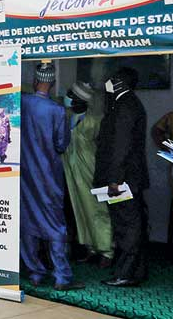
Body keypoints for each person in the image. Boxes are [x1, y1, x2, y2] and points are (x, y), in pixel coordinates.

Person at [19, 63, 81, 290]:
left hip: (24, 175)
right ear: (52, 84)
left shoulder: (22, 103)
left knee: (27, 222)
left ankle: (35, 273)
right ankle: (62, 277)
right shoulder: (57, 111)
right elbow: (61, 144)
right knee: (55, 225)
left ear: (35, 81)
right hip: (48, 176)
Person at [94, 67, 149, 287]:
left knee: (127, 225)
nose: (107, 83)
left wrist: (114, 179)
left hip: (123, 180)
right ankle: (134, 270)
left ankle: (127, 273)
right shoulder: (125, 103)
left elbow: (120, 147)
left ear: (119, 83)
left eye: (112, 80)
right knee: (130, 223)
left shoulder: (126, 106)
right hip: (127, 178)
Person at [62, 82, 113, 267]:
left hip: (90, 171)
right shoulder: (68, 117)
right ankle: (91, 248)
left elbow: (105, 148)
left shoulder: (95, 120)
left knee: (98, 211)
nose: (66, 98)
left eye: (70, 95)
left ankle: (107, 250)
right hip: (72, 173)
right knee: (81, 210)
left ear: (78, 99)